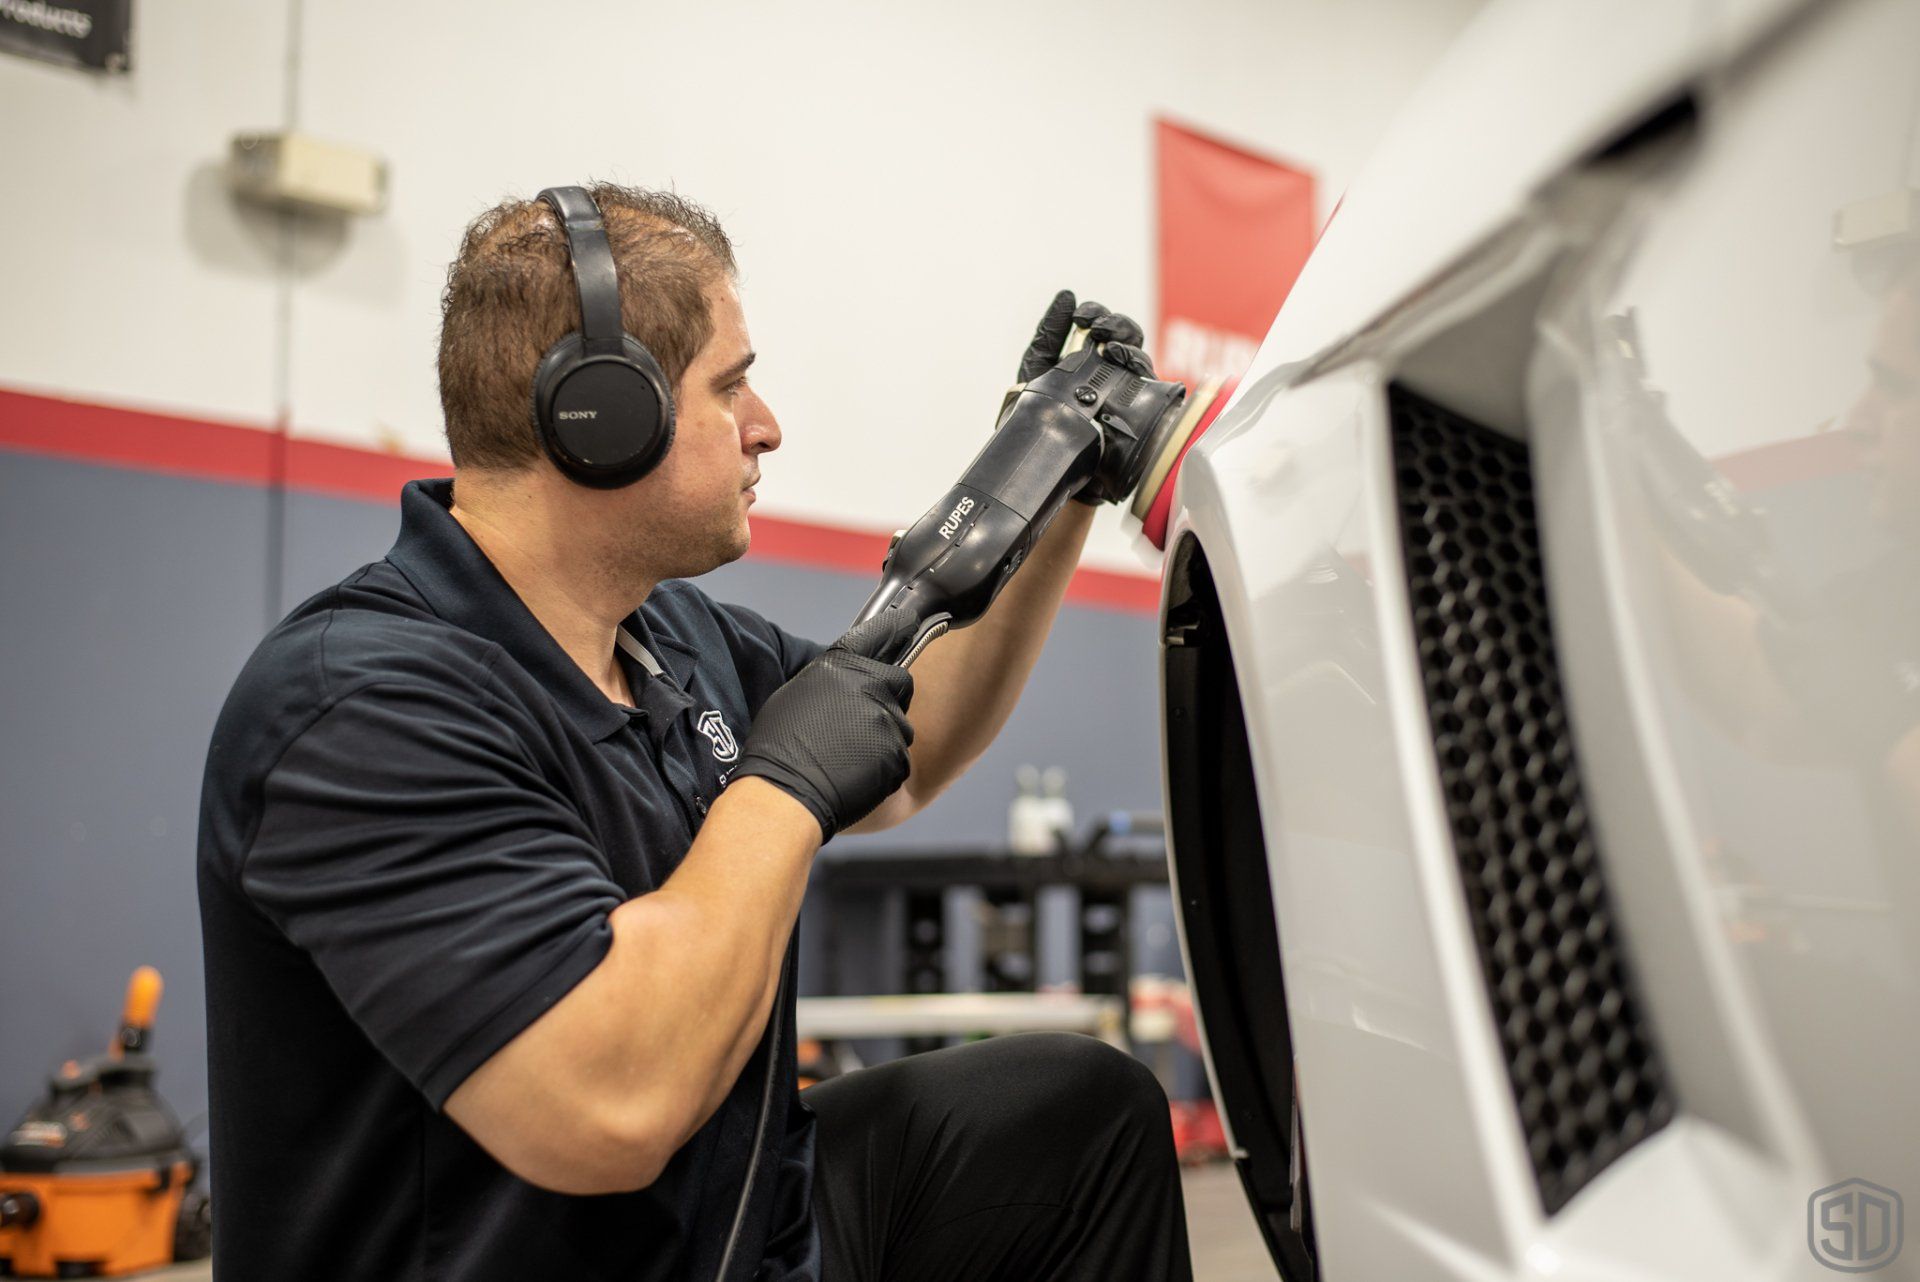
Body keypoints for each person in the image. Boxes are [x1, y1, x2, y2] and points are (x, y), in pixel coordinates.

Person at [196, 182, 1191, 1281]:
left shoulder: (668, 636)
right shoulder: (360, 706)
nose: (766, 424)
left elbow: (908, 739)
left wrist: (1046, 472)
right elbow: (611, 1105)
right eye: (731, 384)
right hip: (556, 1241)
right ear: (602, 418)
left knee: (1073, 1121)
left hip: (723, 1228)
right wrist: (779, 787)